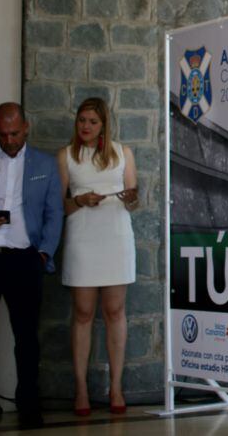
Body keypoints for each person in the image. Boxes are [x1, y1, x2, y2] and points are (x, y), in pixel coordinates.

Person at [0, 102, 63, 429]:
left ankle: (29, 405)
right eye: (2, 134)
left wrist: (43, 254)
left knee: (26, 337)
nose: (9, 140)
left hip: (25, 258)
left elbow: (55, 214)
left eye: (14, 133)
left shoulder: (45, 164)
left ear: (26, 127)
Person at [57, 98, 138, 416]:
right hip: (82, 236)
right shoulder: (66, 156)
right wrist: (79, 200)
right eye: (81, 121)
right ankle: (81, 390)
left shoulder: (123, 152)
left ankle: (115, 387)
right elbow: (59, 207)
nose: (85, 127)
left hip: (115, 236)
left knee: (115, 311)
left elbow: (132, 200)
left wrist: (131, 196)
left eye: (92, 121)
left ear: (104, 123)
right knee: (82, 312)